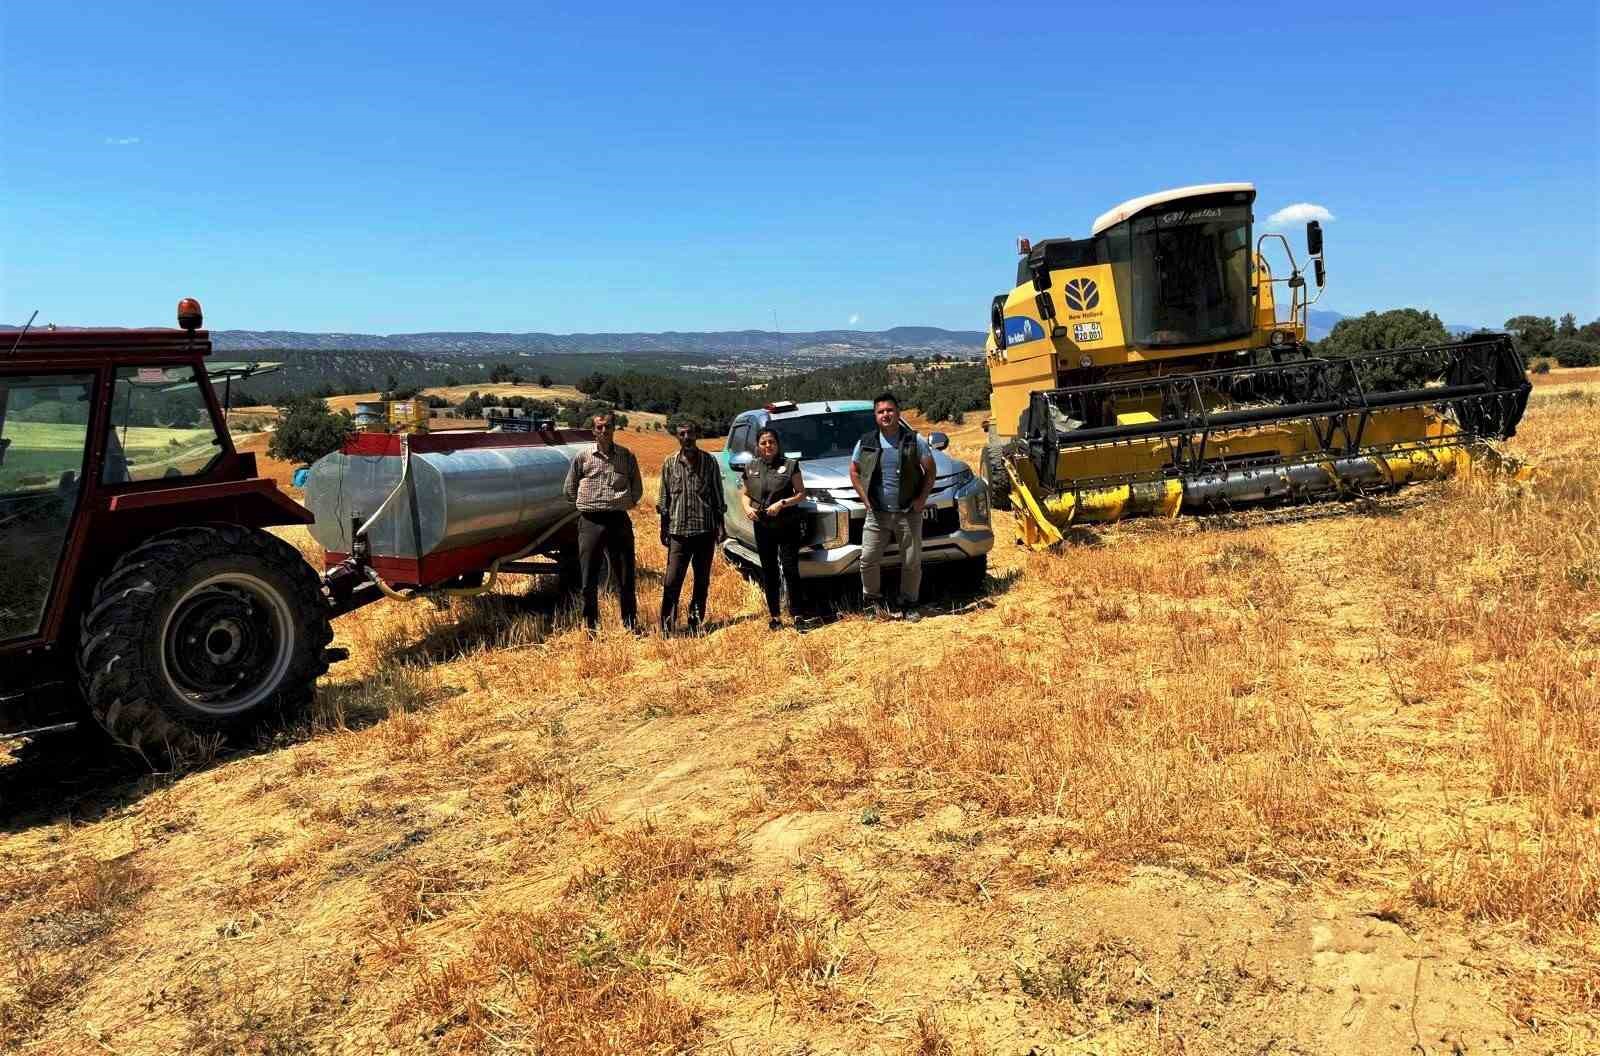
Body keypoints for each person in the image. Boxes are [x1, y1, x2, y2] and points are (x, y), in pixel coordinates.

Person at [849, 391, 935, 621]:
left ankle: (909, 603)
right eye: (880, 411)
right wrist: (865, 500)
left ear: (898, 413)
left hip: (908, 513)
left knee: (911, 561)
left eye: (889, 410)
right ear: (875, 416)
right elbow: (854, 471)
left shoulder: (913, 440)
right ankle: (873, 602)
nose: (885, 415)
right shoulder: (866, 442)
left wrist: (921, 500)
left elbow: (930, 471)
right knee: (867, 559)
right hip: (877, 514)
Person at [562, 410, 643, 632]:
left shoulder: (626, 456)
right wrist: (587, 505)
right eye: (599, 427)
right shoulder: (583, 457)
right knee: (588, 578)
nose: (604, 430)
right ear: (593, 430)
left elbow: (637, 488)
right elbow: (569, 489)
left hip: (619, 521)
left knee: (625, 576)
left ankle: (630, 625)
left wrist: (622, 503)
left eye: (607, 426)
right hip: (590, 522)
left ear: (614, 428)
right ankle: (590, 627)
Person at [657, 418, 726, 634]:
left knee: (702, 580)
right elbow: (664, 499)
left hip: (705, 530)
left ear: (696, 435)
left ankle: (695, 624)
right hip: (678, 532)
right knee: (672, 580)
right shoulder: (669, 463)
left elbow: (717, 495)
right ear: (677, 437)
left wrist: (720, 526)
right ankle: (667, 627)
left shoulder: (709, 462)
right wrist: (663, 527)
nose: (687, 437)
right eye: (682, 434)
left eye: (690, 433)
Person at [740, 426, 807, 630]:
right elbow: (745, 494)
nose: (768, 446)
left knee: (790, 569)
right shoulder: (751, 467)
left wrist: (782, 503)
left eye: (772, 442)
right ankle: (775, 617)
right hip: (763, 525)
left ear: (778, 445)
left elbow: (801, 493)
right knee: (769, 571)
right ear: (758, 446)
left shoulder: (790, 465)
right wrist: (746, 508)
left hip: (787, 524)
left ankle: (798, 615)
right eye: (764, 442)